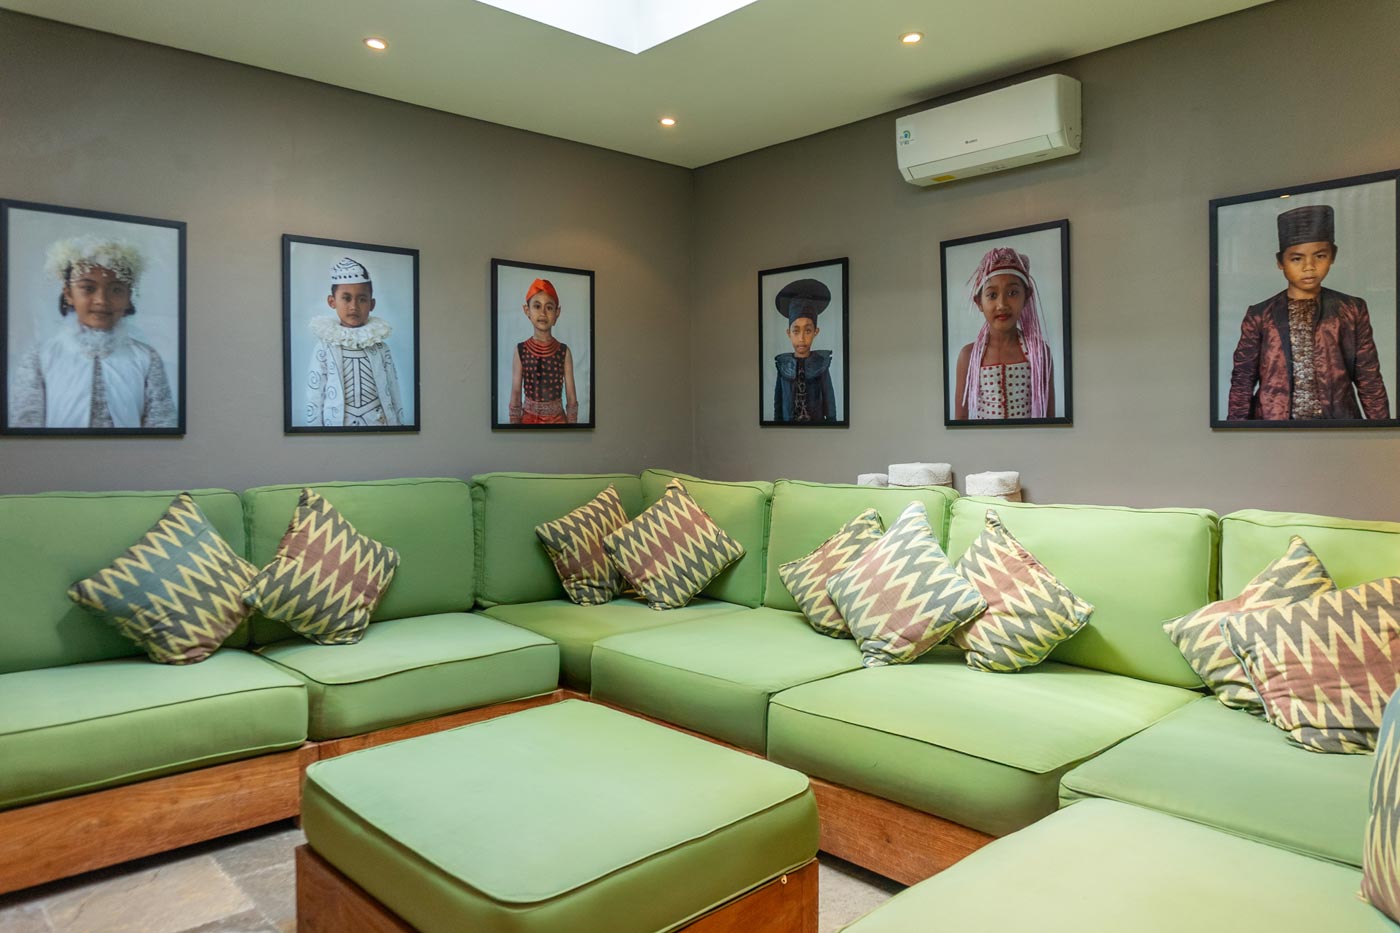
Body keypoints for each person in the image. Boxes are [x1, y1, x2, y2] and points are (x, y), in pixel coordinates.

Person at [1227, 204, 1389, 421]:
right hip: (1273, 425)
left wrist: (1381, 430)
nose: (1309, 266)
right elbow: (1243, 380)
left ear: (1332, 255)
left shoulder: (1351, 309)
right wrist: (1236, 431)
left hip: (1338, 425)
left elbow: (1369, 378)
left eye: (1320, 256)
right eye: (1297, 258)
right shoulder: (1260, 315)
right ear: (1280, 262)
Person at [9, 235, 176, 429]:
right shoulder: (41, 356)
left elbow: (162, 424)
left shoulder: (146, 358)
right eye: (88, 288)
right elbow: (25, 426)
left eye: (116, 290)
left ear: (129, 297)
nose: (101, 300)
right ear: (68, 293)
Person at [954, 247, 1054, 420]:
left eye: (1012, 293)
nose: (1002, 305)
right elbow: (959, 425)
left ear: (1026, 297)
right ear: (979, 302)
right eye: (992, 295)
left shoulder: (1039, 354)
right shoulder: (968, 356)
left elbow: (1051, 422)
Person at [304, 257, 405, 427]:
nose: (354, 306)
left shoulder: (381, 348)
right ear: (332, 301)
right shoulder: (324, 347)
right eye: (346, 298)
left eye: (362, 299)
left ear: (372, 304)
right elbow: (314, 396)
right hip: (338, 426)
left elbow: (394, 390)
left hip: (378, 423)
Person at [509, 278, 578, 424]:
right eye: (537, 306)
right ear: (527, 311)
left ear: (557, 313)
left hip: (558, 422)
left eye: (549, 307)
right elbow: (515, 393)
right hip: (528, 422)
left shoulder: (564, 351)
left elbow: (571, 397)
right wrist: (514, 428)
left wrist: (572, 428)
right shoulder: (520, 350)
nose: (543, 313)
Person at [772, 278, 837, 423]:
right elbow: (778, 406)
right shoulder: (783, 365)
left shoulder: (821, 363)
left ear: (815, 332)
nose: (801, 338)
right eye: (796, 331)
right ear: (789, 333)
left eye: (807, 331)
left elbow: (830, 406)